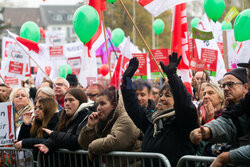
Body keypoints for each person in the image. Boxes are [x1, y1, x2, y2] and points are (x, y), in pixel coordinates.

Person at [121, 53, 199, 167]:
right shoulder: (151, 121)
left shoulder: (183, 122)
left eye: (167, 95)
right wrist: (127, 79)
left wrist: (172, 77)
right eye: (161, 94)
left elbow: (185, 105)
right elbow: (132, 106)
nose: (162, 98)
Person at [190, 59, 250, 167]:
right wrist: (208, 130)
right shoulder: (239, 107)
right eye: (224, 85)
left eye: (231, 84)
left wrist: (225, 157)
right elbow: (230, 121)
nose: (226, 89)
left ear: (245, 87)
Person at [78, 87, 141, 160]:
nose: (98, 108)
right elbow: (83, 144)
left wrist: (92, 147)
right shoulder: (101, 120)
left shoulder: (127, 116)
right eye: (97, 104)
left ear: (114, 105)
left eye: (102, 104)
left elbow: (117, 141)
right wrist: (90, 127)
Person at [35, 88, 96, 153]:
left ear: (81, 102)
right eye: (65, 100)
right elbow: (57, 137)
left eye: (71, 100)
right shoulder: (62, 115)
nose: (67, 103)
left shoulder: (88, 116)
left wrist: (54, 135)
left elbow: (78, 141)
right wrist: (48, 144)